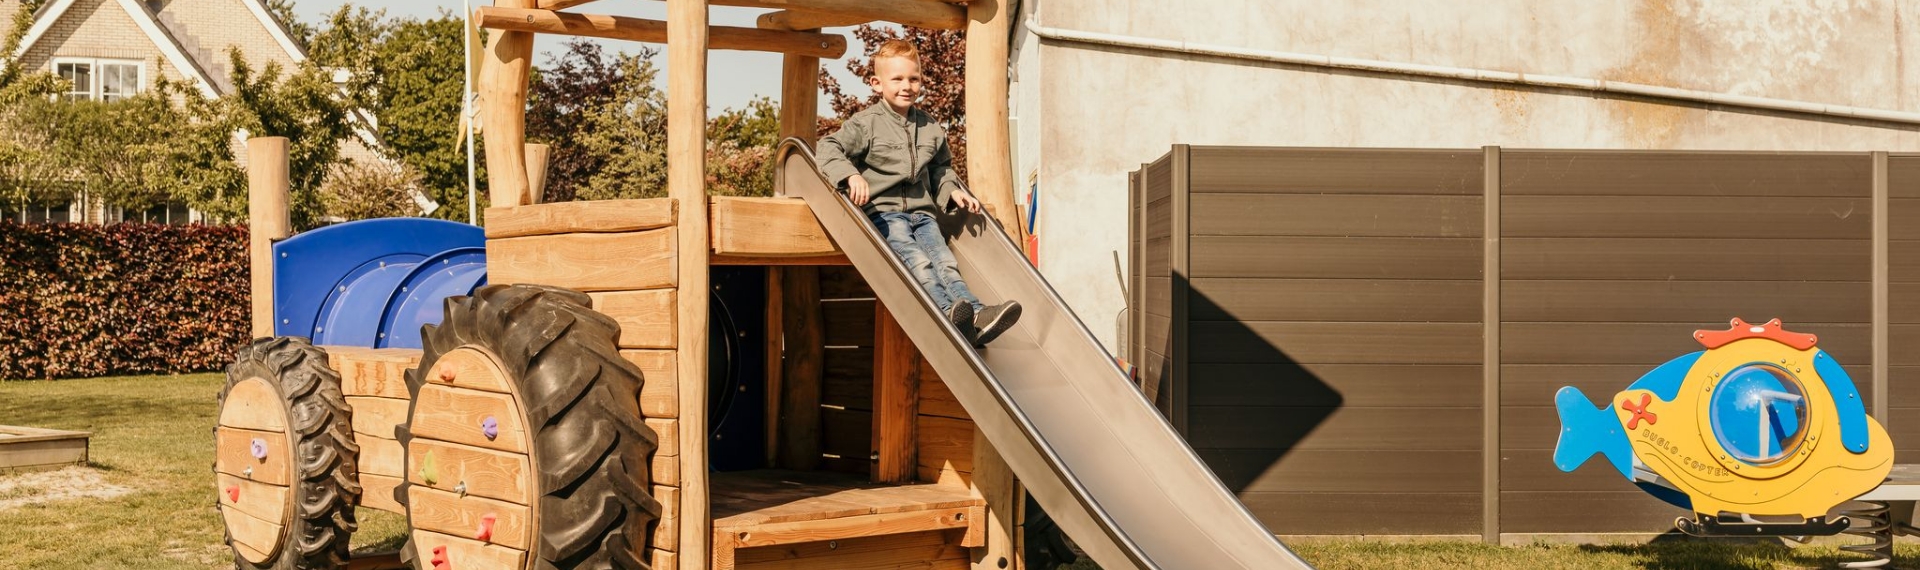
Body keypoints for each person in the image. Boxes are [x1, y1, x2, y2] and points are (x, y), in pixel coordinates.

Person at [816, 39, 1021, 347]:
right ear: (876, 83)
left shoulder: (929, 127)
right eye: (897, 79)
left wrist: (953, 193)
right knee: (918, 262)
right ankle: (945, 312)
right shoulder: (866, 124)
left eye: (913, 78)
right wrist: (851, 175)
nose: (906, 86)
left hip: (923, 215)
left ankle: (976, 316)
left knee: (945, 263)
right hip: (885, 215)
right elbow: (828, 148)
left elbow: (942, 169)